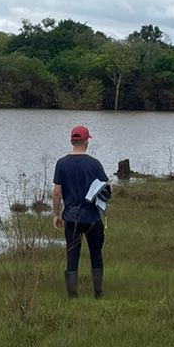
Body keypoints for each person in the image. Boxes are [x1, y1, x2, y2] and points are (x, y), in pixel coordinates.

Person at [52, 124, 111, 298]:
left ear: (72, 141)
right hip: (93, 218)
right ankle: (98, 294)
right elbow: (108, 189)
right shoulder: (94, 164)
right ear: (85, 142)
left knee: (72, 255)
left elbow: (57, 192)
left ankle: (72, 296)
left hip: (71, 218)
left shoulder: (62, 163)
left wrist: (56, 215)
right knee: (96, 255)